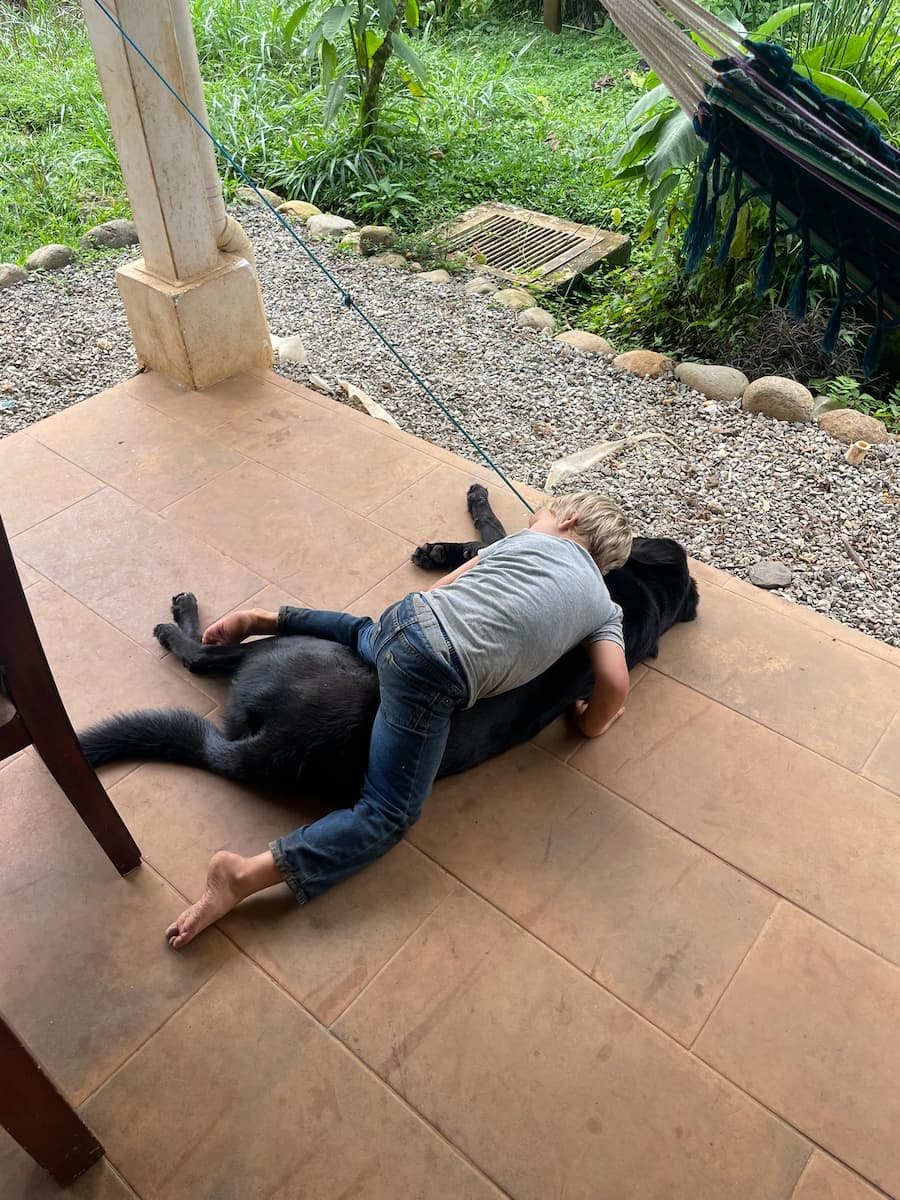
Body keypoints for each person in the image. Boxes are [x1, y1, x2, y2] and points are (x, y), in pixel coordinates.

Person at [165, 492, 633, 948]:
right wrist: (593, 723)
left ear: (568, 520)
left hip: (407, 619)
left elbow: (442, 588)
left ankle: (268, 619)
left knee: (360, 631)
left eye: (540, 515)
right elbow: (615, 682)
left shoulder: (521, 541)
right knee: (389, 813)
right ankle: (243, 876)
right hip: (435, 673)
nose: (535, 523)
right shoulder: (604, 609)